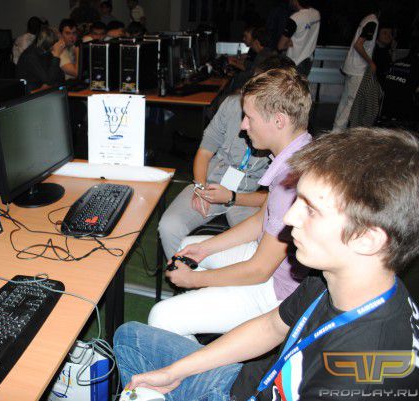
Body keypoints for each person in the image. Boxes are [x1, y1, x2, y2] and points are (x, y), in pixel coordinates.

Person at [115, 127, 419, 401]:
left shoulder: (359, 375)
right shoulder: (330, 277)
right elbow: (271, 326)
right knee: (129, 338)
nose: (289, 217)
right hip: (252, 383)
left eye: (311, 210)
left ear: (367, 239)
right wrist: (175, 371)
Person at [151, 67, 312, 337]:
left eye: (250, 117)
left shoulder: (291, 180)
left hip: (277, 290)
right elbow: (260, 221)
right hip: (269, 262)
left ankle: (199, 349)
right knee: (188, 247)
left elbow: (259, 271)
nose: (243, 125)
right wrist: (204, 248)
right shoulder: (296, 153)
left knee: (161, 316)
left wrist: (194, 280)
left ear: (279, 121)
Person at [158, 55, 296, 261]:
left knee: (256, 245)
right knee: (169, 226)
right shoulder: (233, 106)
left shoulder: (287, 138)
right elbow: (205, 151)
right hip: (213, 185)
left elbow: (274, 198)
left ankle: (218, 277)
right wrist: (200, 187)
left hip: (250, 198)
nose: (244, 125)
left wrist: (232, 197)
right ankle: (182, 274)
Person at [333, 5, 380, 131]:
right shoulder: (373, 21)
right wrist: (371, 62)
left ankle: (336, 131)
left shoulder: (366, 19)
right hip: (358, 68)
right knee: (351, 102)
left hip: (351, 66)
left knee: (345, 101)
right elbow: (358, 44)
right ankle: (338, 131)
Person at [16, 26, 65, 93]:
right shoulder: (30, 56)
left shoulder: (46, 52)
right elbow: (49, 81)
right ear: (53, 43)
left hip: (43, 93)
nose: (62, 44)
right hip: (29, 96)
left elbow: (61, 77)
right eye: (60, 42)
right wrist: (56, 55)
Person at [278, 0, 320, 77]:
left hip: (294, 63)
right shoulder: (316, 13)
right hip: (308, 60)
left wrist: (288, 43)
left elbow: (280, 46)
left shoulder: (295, 18)